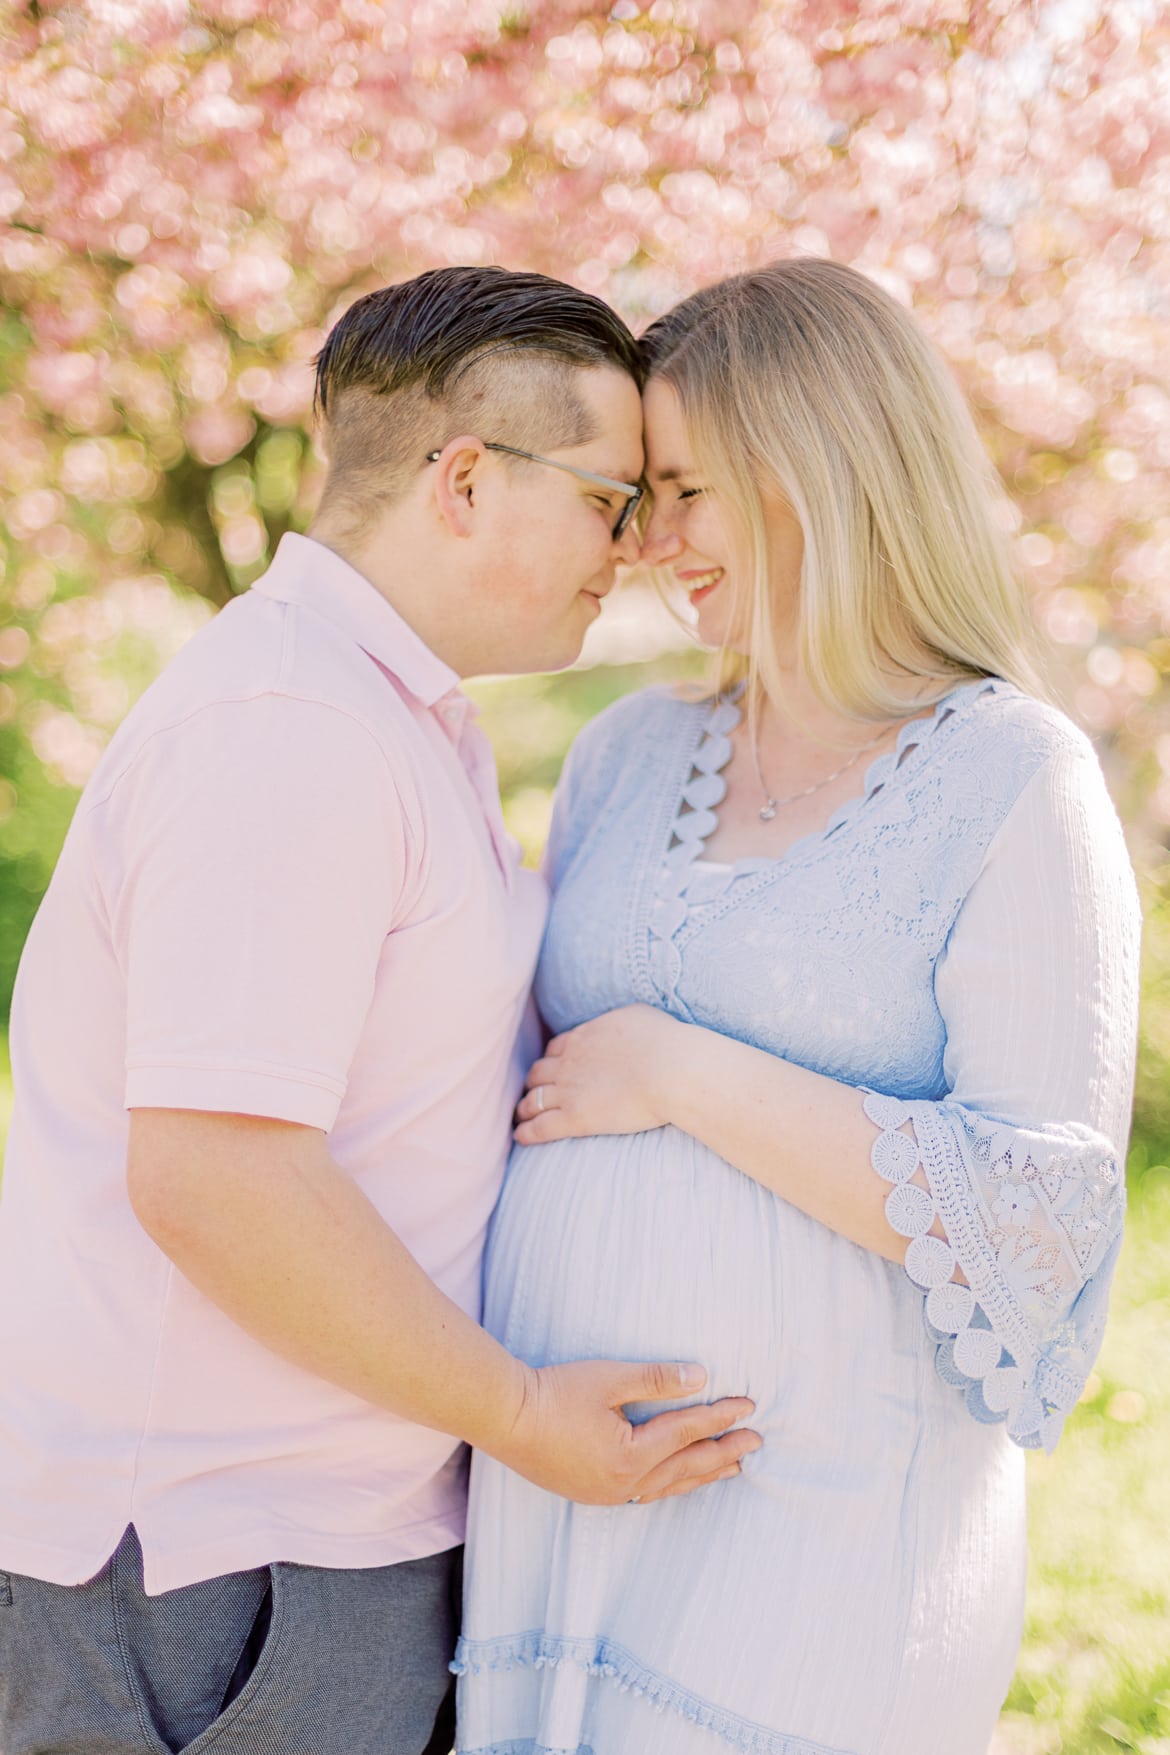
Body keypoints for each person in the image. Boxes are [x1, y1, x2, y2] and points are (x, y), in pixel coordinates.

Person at [0, 266, 759, 1755]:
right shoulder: (289, 731)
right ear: (466, 479)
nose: (640, 549)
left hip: (297, 1541)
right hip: (211, 1570)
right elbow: (220, 1175)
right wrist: (524, 1416)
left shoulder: (381, 710)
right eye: (613, 500)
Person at [456, 259, 1142, 1755]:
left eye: (689, 490)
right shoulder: (626, 752)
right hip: (559, 1507)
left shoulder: (1010, 779)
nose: (654, 545)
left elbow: (1038, 1210)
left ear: (823, 472)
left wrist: (678, 1071)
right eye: (641, 499)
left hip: (822, 1532)